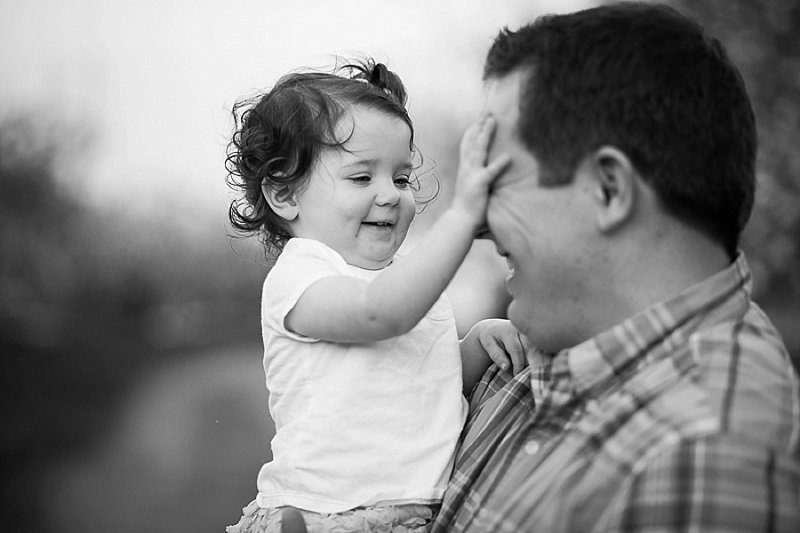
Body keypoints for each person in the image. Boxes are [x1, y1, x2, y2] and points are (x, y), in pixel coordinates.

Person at [430, 2, 800, 532]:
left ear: (609, 190)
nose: (477, 224)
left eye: (499, 182)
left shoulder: (697, 453)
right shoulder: (518, 357)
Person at [224, 60, 526, 533]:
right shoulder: (302, 277)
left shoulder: (399, 283)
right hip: (327, 516)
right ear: (285, 195)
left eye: (401, 178)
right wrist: (462, 218)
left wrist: (475, 344)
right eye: (362, 178)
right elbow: (379, 315)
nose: (390, 195)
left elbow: (422, 379)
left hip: (409, 515)